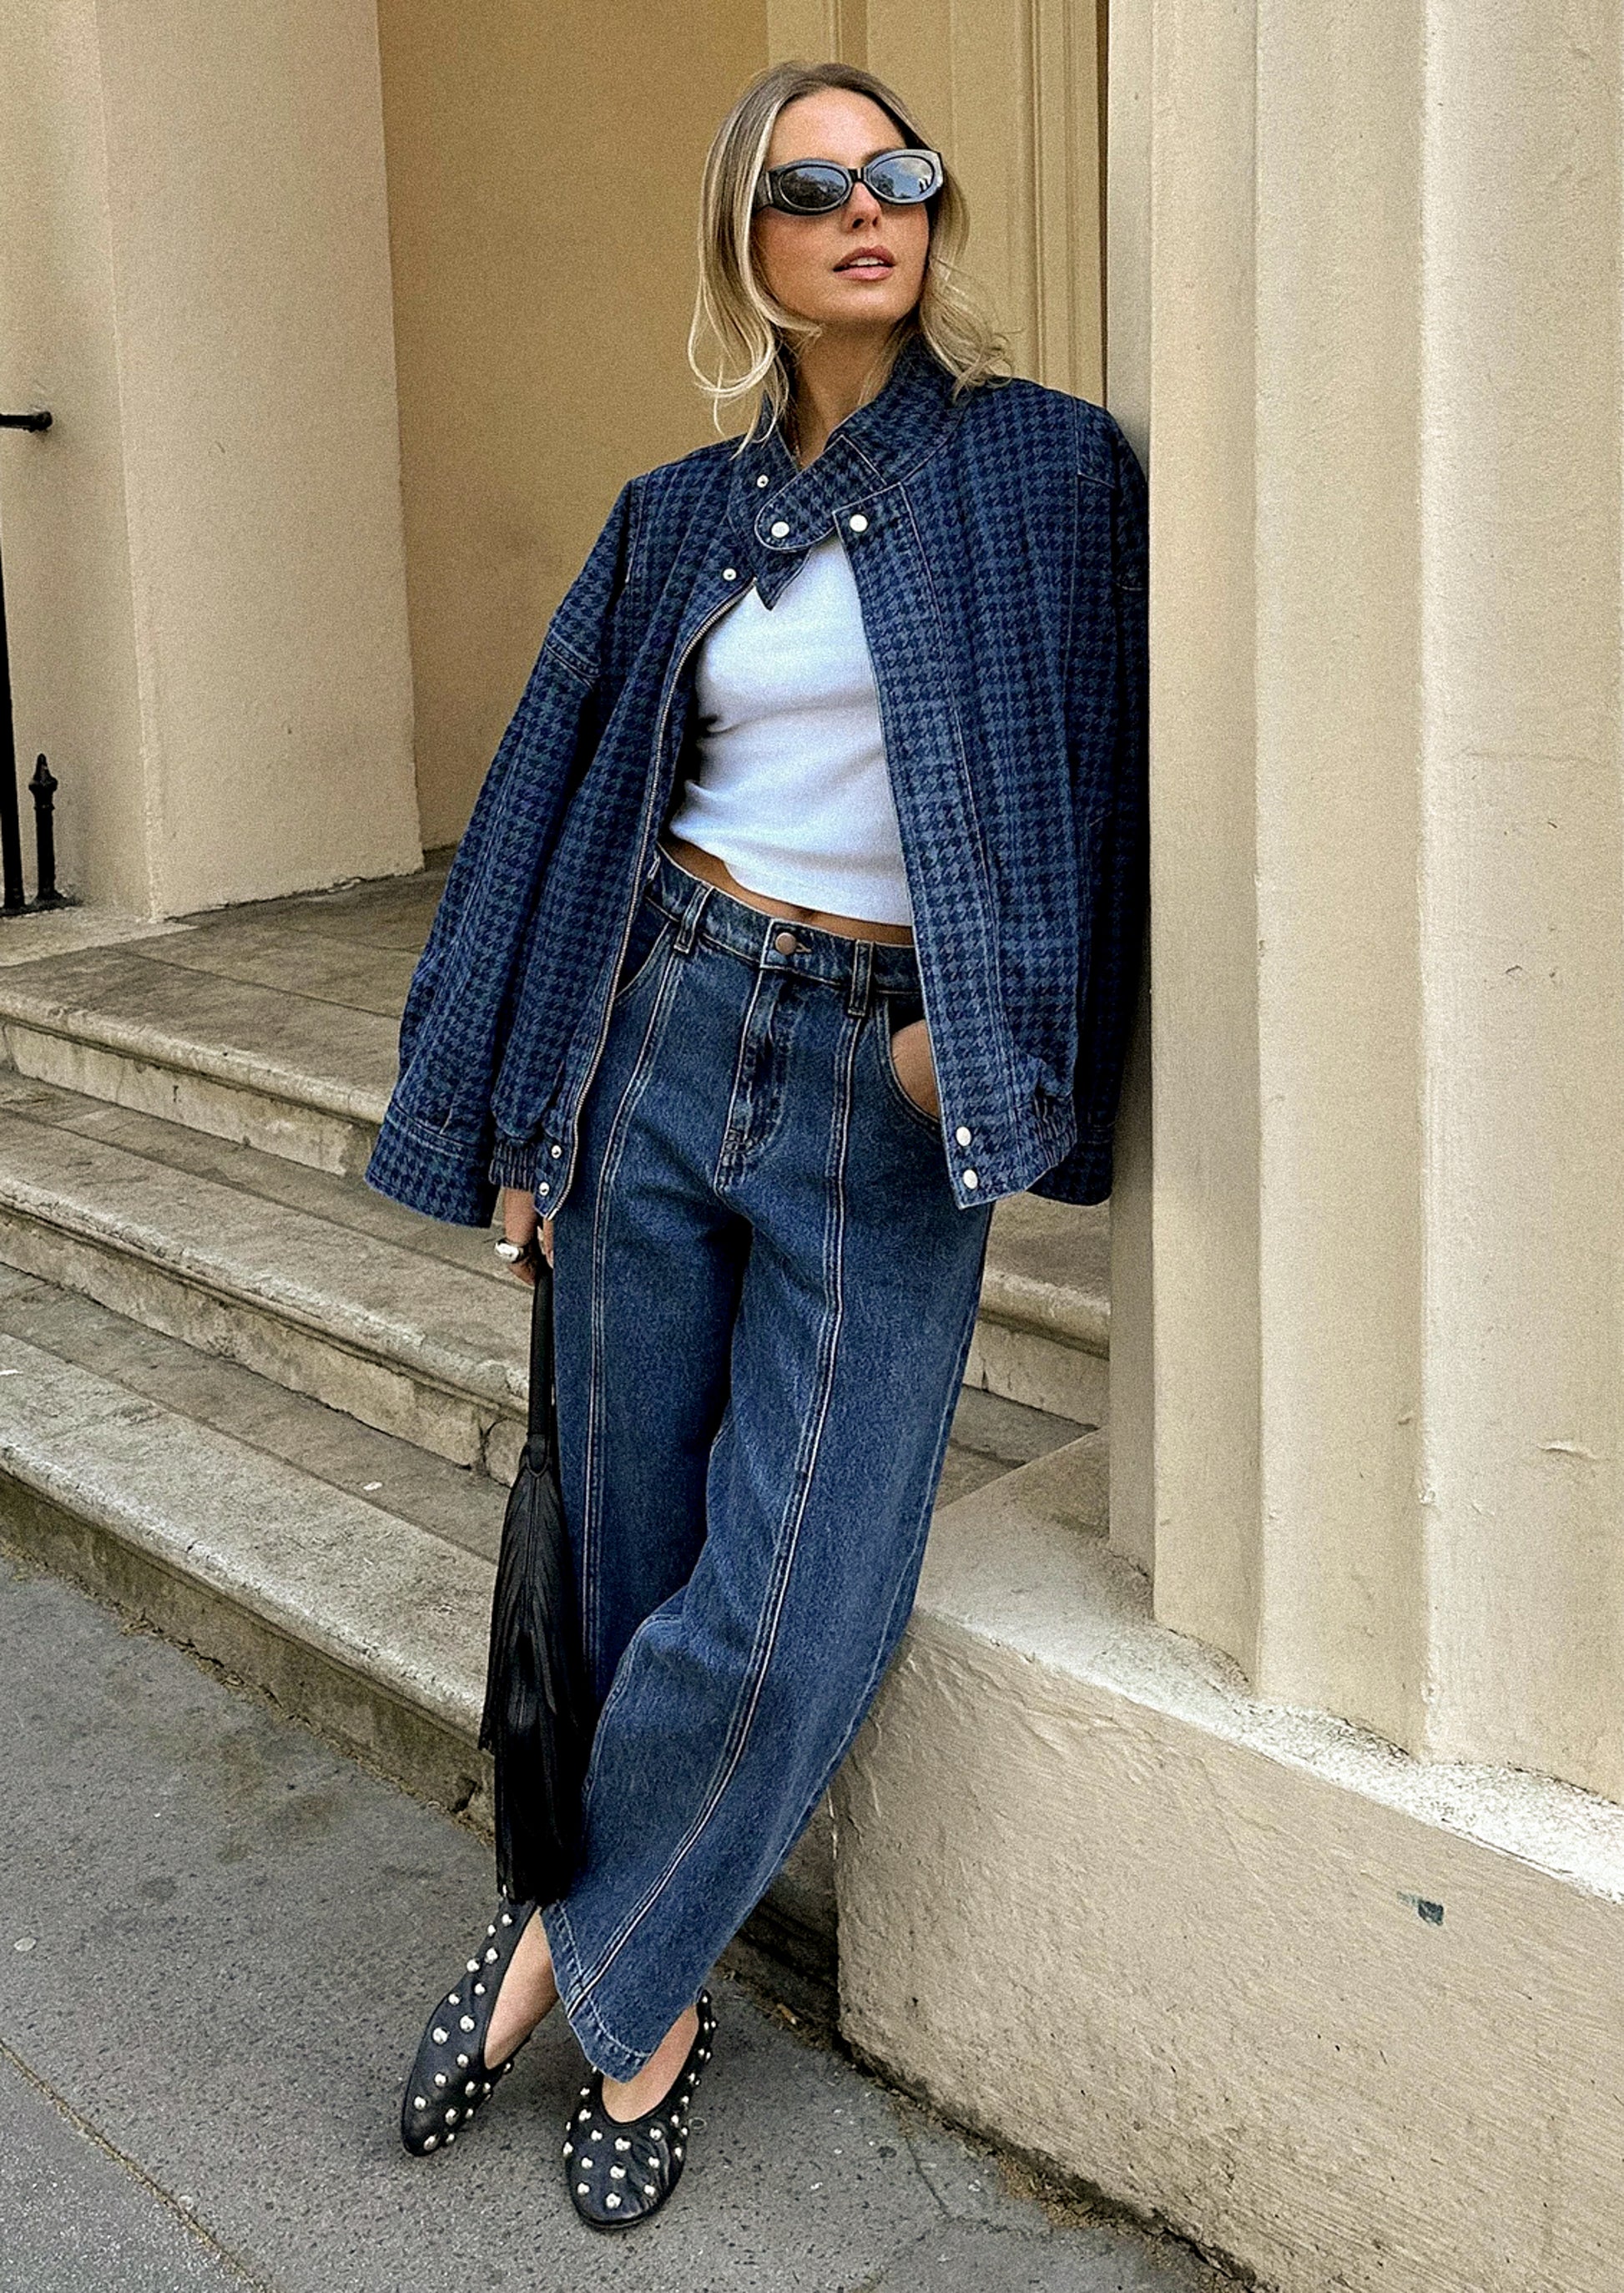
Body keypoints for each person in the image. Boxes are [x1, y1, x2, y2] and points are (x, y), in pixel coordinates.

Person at [365, 55, 1147, 2234]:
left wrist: (985, 1040)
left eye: (896, 175)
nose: (865, 211)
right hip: (663, 1023)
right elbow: (542, 810)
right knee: (625, 1541)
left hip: (873, 1087)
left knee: (798, 1587)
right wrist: (526, 1106)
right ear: (751, 243)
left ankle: (576, 1951)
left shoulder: (1047, 477)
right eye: (812, 190)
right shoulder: (667, 518)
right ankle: (643, 1996)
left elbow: (1109, 785)